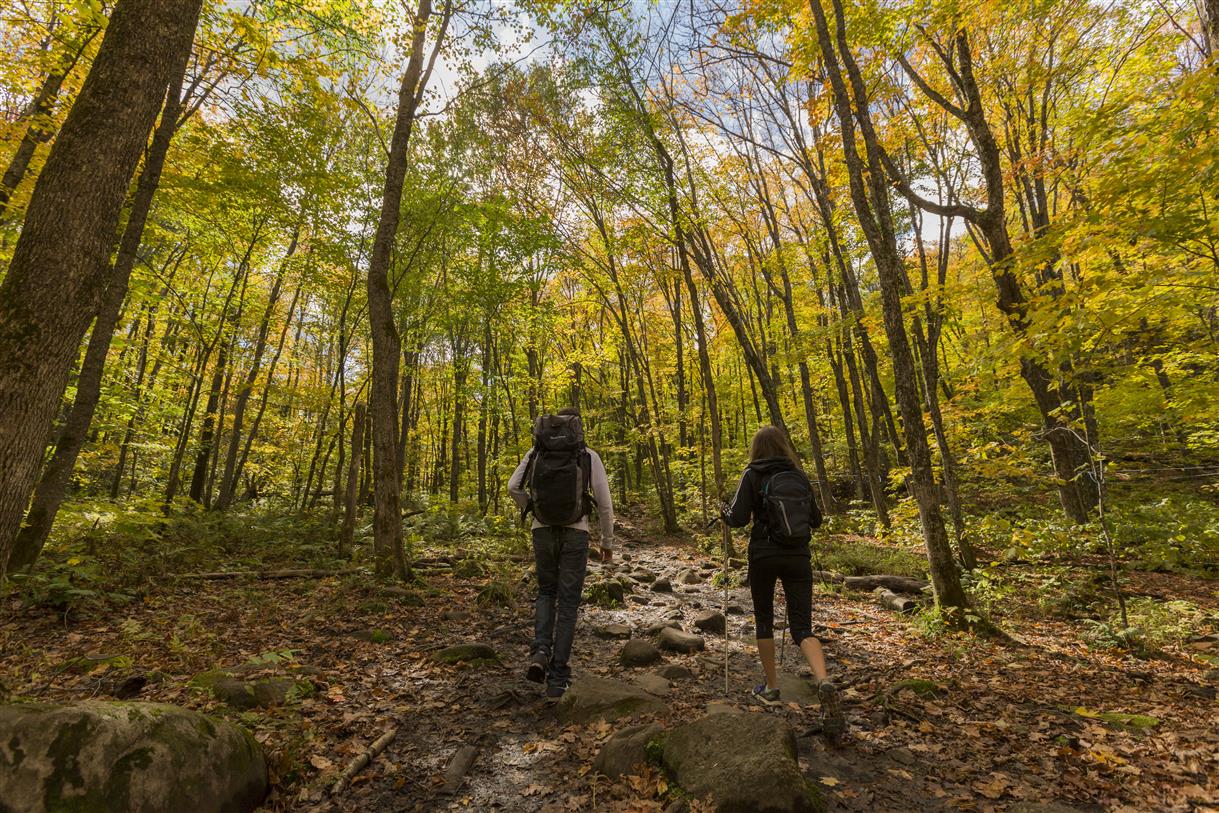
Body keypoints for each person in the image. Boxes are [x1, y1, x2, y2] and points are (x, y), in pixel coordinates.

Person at [722, 425, 846, 742]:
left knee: (764, 619)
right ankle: (823, 682)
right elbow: (815, 520)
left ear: (757, 448)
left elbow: (736, 518)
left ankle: (772, 688)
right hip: (798, 557)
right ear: (783, 446)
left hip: (763, 554)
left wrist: (724, 511)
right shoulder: (799, 476)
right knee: (803, 627)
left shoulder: (752, 474)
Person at [508, 407, 614, 699]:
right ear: (577, 429)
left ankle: (540, 650)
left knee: (545, 593)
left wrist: (531, 506)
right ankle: (558, 677)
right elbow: (604, 504)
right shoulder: (587, 456)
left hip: (541, 530)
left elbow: (512, 486)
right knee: (567, 604)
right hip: (576, 532)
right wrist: (607, 541)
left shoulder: (536, 453)